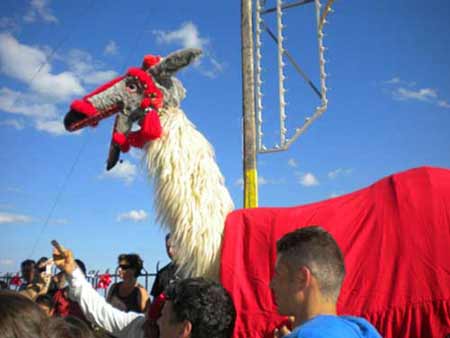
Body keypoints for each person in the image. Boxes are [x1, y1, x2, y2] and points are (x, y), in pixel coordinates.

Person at [52, 243, 236, 338]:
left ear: (184, 329)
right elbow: (104, 313)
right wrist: (72, 271)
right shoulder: (146, 330)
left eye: (163, 316)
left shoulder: (142, 296)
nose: (156, 319)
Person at [270, 226, 381, 338]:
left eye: (279, 274)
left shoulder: (305, 335)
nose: (272, 284)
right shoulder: (362, 331)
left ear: (302, 278)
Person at [150, 233, 179, 299]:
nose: (170, 251)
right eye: (167, 247)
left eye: (174, 246)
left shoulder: (196, 270)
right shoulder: (162, 273)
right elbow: (156, 302)